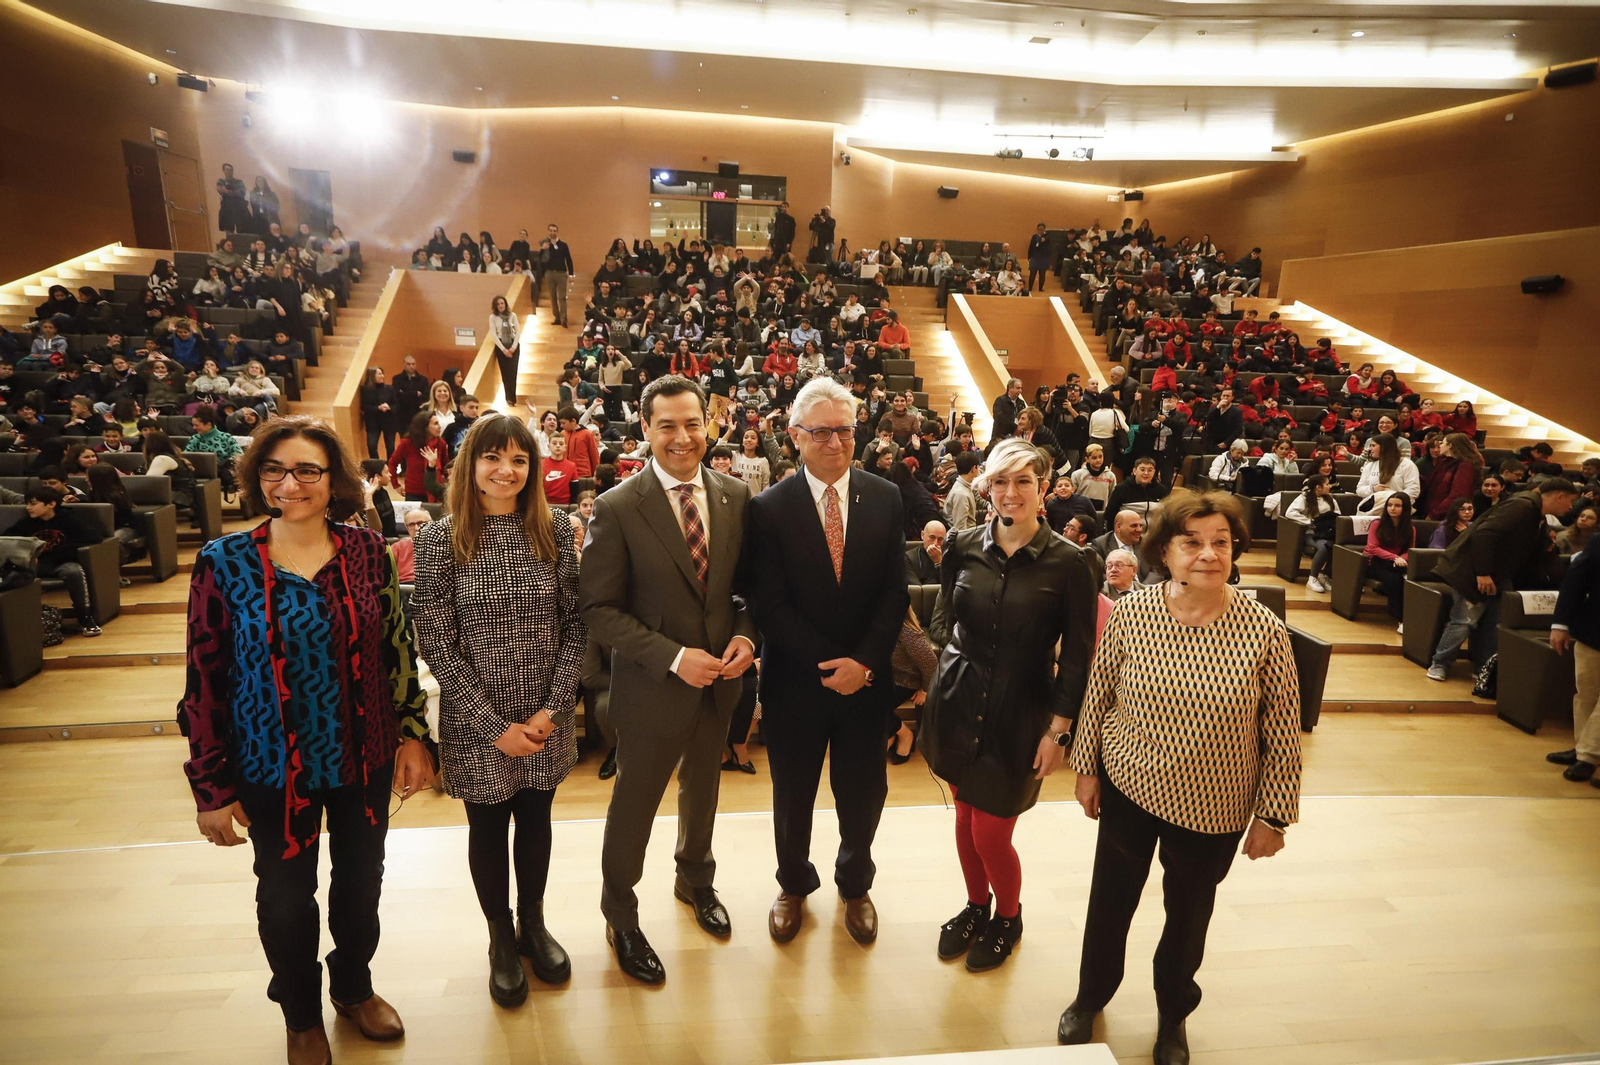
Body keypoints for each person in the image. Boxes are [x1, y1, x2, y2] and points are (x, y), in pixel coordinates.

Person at [177, 417, 434, 1065]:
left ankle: (352, 985)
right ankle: (299, 1012)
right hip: (272, 764)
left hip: (366, 752)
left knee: (360, 884)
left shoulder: (368, 552)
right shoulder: (224, 563)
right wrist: (211, 786)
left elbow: (395, 648)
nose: (289, 482)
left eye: (307, 470)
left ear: (332, 481)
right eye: (274, 470)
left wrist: (413, 733)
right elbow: (203, 683)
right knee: (287, 897)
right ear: (257, 478)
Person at [1059, 490, 1301, 1063]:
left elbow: (1283, 729)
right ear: (1164, 552)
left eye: (1221, 542)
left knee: (1188, 916)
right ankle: (1090, 996)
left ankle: (1173, 1014)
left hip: (1216, 803)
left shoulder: (1264, 630)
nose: (1208, 554)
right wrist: (1087, 769)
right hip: (1131, 785)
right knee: (1111, 902)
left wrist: (1273, 816)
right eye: (1191, 542)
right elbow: (1101, 693)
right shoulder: (1133, 613)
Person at [576, 375, 758, 984]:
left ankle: (694, 882)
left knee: (703, 792)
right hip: (654, 685)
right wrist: (675, 657)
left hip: (721, 683)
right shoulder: (619, 505)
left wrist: (746, 635)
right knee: (635, 805)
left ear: (710, 424)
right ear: (646, 430)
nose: (682, 438)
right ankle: (620, 915)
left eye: (692, 423)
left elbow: (745, 591)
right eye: (667, 426)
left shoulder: (734, 494)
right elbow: (598, 609)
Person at [412, 415, 585, 1007]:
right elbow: (435, 639)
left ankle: (533, 924)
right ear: (470, 466)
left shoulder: (560, 529)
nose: (505, 470)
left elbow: (578, 628)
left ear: (533, 467)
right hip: (476, 715)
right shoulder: (439, 539)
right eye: (492, 458)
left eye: (518, 458)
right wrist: (495, 726)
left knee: (536, 821)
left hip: (544, 714)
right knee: (487, 827)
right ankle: (499, 938)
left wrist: (551, 711)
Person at [745, 377, 910, 946]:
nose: (835, 442)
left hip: (867, 681)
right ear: (794, 436)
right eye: (821, 431)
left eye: (845, 430)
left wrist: (862, 663)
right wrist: (828, 665)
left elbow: (895, 593)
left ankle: (855, 884)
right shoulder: (767, 509)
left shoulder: (885, 497)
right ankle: (793, 883)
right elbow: (770, 604)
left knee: (863, 791)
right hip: (796, 682)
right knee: (793, 793)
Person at [921, 439, 1096, 970]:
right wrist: (945, 666)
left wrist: (1059, 729)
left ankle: (1009, 916)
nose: (1011, 492)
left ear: (1043, 489)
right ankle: (977, 905)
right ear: (987, 487)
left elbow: (1078, 657)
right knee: (964, 816)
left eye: (1023, 481)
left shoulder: (1072, 562)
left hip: (1021, 709)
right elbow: (944, 617)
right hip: (958, 697)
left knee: (991, 830)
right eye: (1000, 481)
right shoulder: (962, 544)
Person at [1426, 478, 1580, 681]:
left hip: (1499, 575)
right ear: (1559, 496)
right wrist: (1483, 573)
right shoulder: (1522, 505)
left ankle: (1483, 669)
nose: (1570, 507)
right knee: (1464, 620)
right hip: (1474, 572)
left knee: (1493, 624)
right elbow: (1484, 535)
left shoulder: (1536, 514)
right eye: (1570, 502)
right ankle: (1440, 664)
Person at [1546, 533, 1600, 785]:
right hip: (1594, 631)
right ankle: (1582, 749)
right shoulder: (1597, 541)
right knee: (1585, 694)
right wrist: (1560, 623)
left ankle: (1589, 756)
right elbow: (1575, 582)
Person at [13, 486, 102, 637]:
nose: (28, 508)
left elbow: (94, 537)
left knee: (74, 572)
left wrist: (60, 554)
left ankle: (85, 617)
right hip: (34, 564)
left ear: (51, 504)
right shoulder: (25, 523)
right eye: (27, 503)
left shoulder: (69, 519)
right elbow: (8, 540)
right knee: (11, 576)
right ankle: (19, 623)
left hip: (61, 562)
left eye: (33, 503)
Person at [1285, 474, 1343, 593]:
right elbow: (1289, 513)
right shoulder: (1304, 498)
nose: (1330, 486)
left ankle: (1324, 575)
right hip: (1311, 533)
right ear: (1318, 487)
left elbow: (1337, 515)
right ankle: (1312, 578)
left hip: (1328, 533)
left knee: (1338, 546)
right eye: (1327, 484)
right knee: (1324, 546)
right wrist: (1309, 521)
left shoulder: (1331, 499)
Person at [1364, 493, 1414, 625]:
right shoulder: (1377, 524)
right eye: (1390, 505)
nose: (1392, 508)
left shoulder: (1410, 528)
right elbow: (1372, 548)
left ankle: (1414, 618)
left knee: (1410, 580)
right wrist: (1395, 557)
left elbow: (1410, 550)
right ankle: (1401, 620)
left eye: (1397, 506)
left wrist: (1401, 559)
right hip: (1374, 562)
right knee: (1394, 580)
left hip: (1396, 563)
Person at [359, 366, 397, 460]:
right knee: (371, 445)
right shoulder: (365, 390)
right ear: (372, 376)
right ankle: (377, 467)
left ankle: (391, 468)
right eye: (379, 374)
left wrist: (389, 407)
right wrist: (378, 408)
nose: (382, 376)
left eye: (382, 373)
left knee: (390, 447)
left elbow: (396, 405)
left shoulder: (389, 388)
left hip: (388, 421)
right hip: (373, 422)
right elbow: (364, 406)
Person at [489, 295, 522, 404]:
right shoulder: (493, 317)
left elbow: (517, 331)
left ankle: (513, 397)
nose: (500, 306)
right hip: (501, 346)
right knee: (505, 373)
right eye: (498, 304)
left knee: (513, 372)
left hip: (513, 345)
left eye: (502, 303)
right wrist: (504, 349)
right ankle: (508, 398)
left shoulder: (512, 315)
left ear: (505, 304)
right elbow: (494, 334)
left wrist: (513, 347)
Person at [541, 224, 574, 327]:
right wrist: (543, 249)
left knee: (562, 297)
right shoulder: (545, 244)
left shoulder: (563, 245)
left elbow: (568, 259)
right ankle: (557, 317)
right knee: (552, 297)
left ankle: (564, 319)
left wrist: (571, 274)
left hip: (561, 274)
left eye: (554, 231)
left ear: (557, 232)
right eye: (550, 231)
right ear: (548, 232)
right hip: (550, 273)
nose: (552, 232)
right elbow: (541, 260)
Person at [943, 452, 983, 531]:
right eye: (977, 467)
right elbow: (960, 529)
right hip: (968, 536)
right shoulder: (961, 494)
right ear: (973, 468)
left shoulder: (964, 485)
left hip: (971, 530)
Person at [906, 519, 946, 584]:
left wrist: (939, 563)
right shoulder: (908, 557)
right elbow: (915, 589)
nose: (935, 543)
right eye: (932, 537)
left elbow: (949, 586)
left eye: (940, 539)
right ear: (922, 535)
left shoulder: (950, 557)